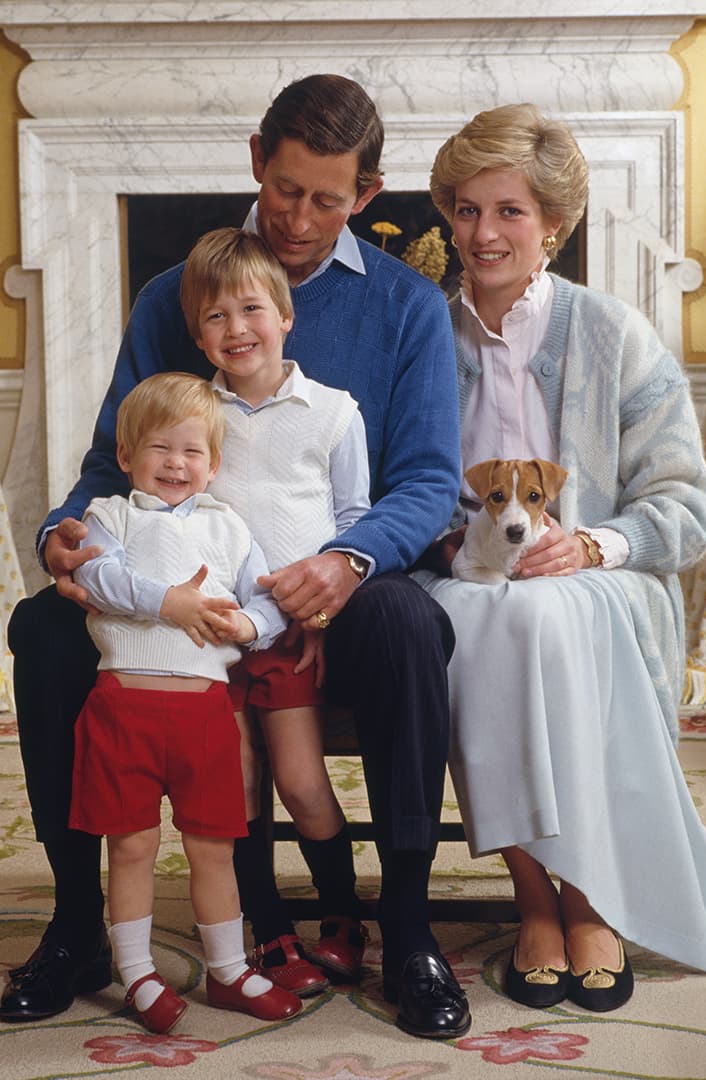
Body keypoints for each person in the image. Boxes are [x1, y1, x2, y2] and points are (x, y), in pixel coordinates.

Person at [4, 75, 468, 1039]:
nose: (298, 217)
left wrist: (347, 561)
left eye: (326, 199)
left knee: (413, 623)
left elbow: (424, 483)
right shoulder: (180, 294)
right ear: (257, 159)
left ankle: (407, 923)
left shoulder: (407, 308)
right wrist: (64, 529)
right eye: (284, 187)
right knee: (43, 626)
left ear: (366, 195)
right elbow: (111, 456)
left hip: (343, 574)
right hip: (192, 579)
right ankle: (81, 921)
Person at [412, 102, 706, 1012]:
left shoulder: (613, 333)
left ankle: (589, 897)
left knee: (540, 610)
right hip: (469, 581)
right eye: (467, 209)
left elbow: (689, 507)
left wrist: (590, 543)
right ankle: (536, 895)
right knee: (487, 613)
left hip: (602, 584)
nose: (484, 232)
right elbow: (394, 486)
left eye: (509, 211)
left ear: (554, 223)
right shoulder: (423, 333)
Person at [68, 371, 301, 1032]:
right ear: (126, 458)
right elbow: (99, 576)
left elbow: (267, 599)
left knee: (213, 847)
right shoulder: (107, 517)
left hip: (204, 716)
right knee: (133, 847)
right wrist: (170, 601)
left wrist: (249, 627)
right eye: (159, 449)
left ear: (215, 464)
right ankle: (137, 971)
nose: (175, 463)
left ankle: (228, 970)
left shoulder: (230, 527)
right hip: (125, 710)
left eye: (191, 451)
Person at [179, 227, 371, 996]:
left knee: (300, 780)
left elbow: (356, 519)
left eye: (251, 309)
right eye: (216, 319)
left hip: (293, 631)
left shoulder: (332, 412)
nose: (236, 330)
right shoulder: (196, 415)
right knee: (241, 782)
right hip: (213, 637)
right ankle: (270, 930)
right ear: (198, 334)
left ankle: (343, 915)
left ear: (286, 316)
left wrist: (323, 617)